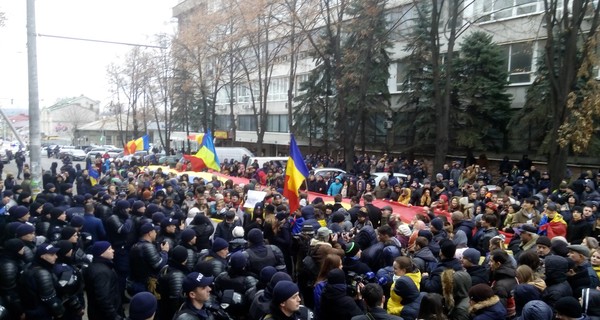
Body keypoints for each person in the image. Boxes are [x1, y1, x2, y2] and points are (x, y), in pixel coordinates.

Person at [20, 244, 65, 319]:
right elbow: (50, 299)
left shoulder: (30, 265)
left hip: (30, 309)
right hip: (41, 312)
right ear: (42, 256)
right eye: (52, 254)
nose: (56, 256)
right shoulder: (42, 273)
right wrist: (59, 312)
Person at [83, 241, 125, 320]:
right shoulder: (102, 272)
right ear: (101, 253)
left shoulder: (97, 266)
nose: (113, 250)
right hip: (105, 315)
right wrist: (115, 316)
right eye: (109, 249)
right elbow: (103, 299)